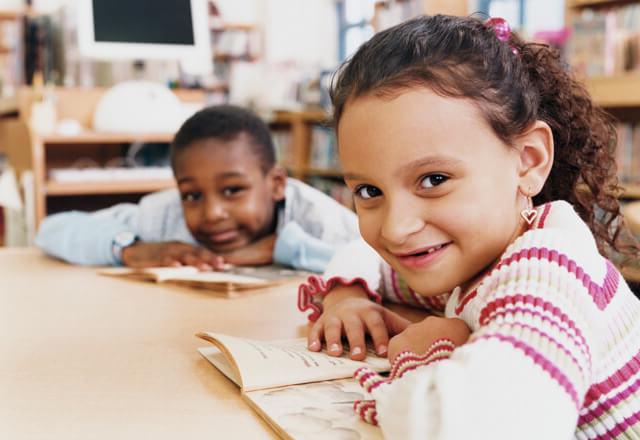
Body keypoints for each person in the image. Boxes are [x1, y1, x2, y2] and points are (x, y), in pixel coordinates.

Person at [297, 15, 640, 439]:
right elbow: (361, 256)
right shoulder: (470, 255)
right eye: (369, 191)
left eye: (434, 180)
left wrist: (425, 355)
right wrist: (346, 297)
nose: (397, 229)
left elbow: (486, 426)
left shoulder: (549, 266)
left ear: (528, 160)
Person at [36, 105, 360, 273]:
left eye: (233, 190)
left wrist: (282, 248)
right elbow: (52, 229)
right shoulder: (164, 216)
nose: (212, 213)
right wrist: (130, 249)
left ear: (276, 184)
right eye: (192, 195)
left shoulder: (314, 216)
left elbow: (384, 268)